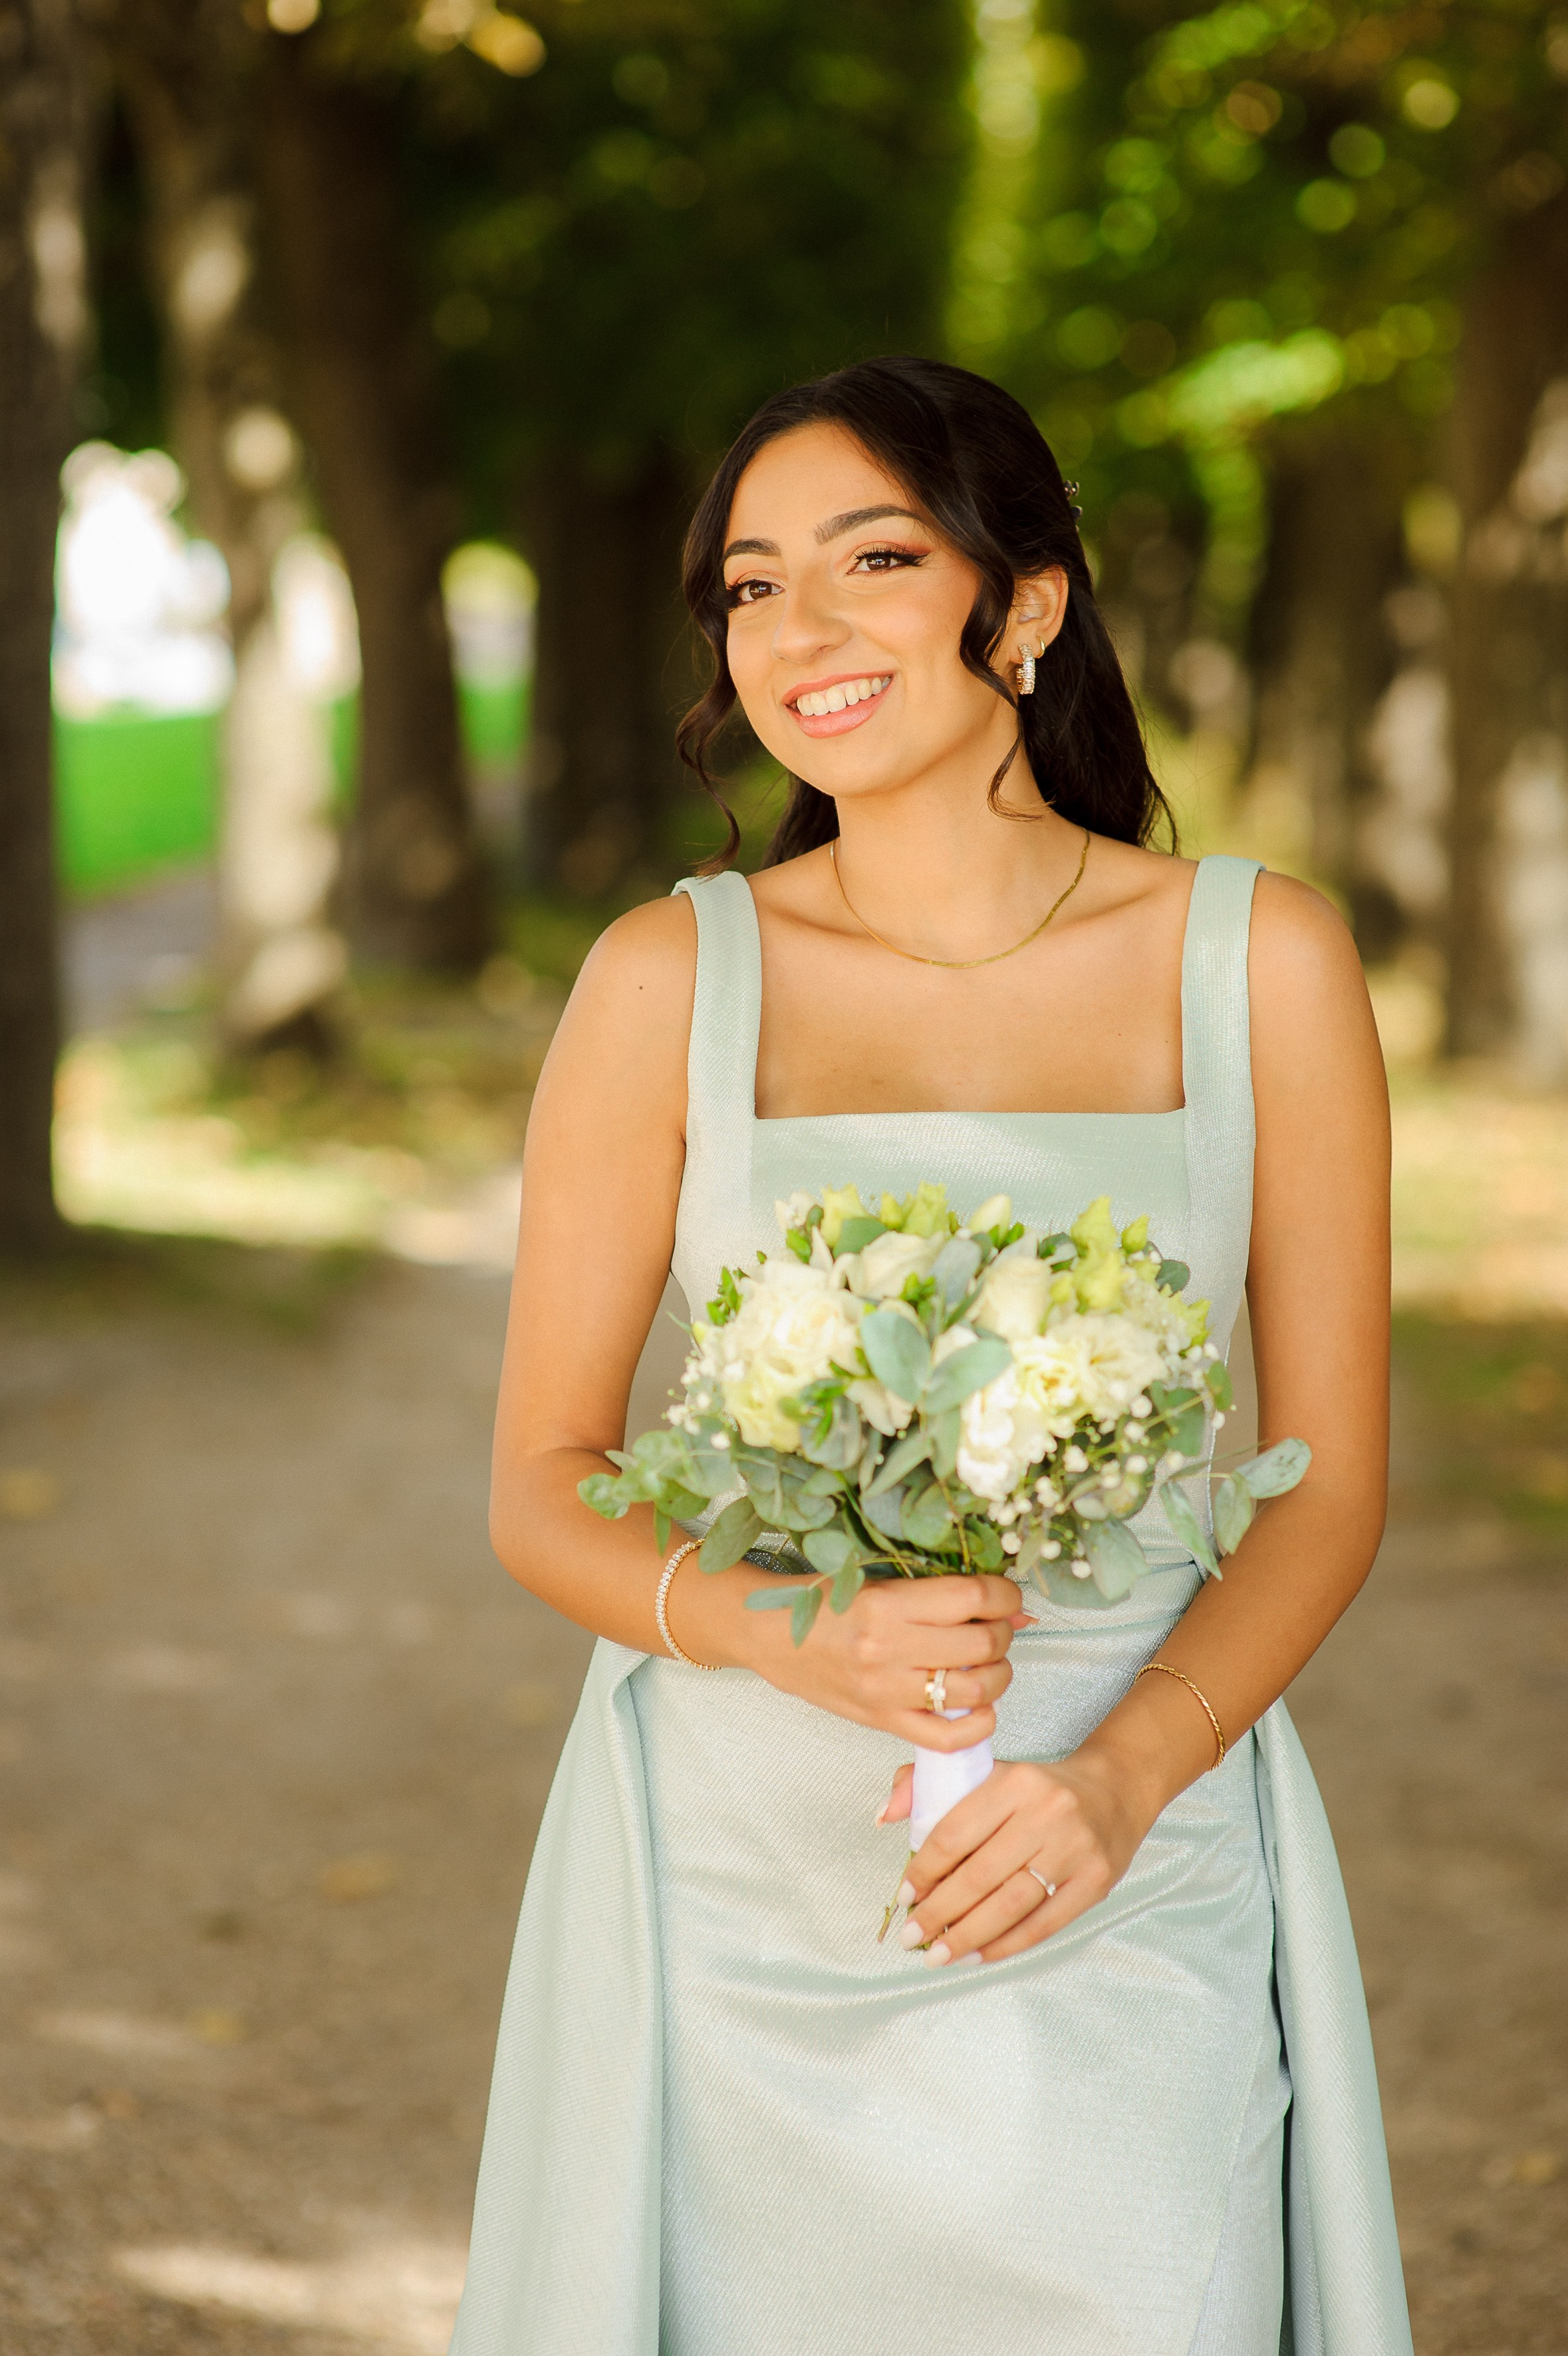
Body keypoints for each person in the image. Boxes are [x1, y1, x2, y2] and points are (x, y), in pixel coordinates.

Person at [448, 356, 1412, 2355]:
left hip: (1124, 1837)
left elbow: (1329, 1488)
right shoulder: (665, 977)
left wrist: (1122, 1785)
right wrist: (787, 1633)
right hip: (743, 1881)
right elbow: (539, 1484)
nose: (800, 629)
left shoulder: (1264, 962)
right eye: (748, 584)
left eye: (874, 558)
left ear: (1029, 601)